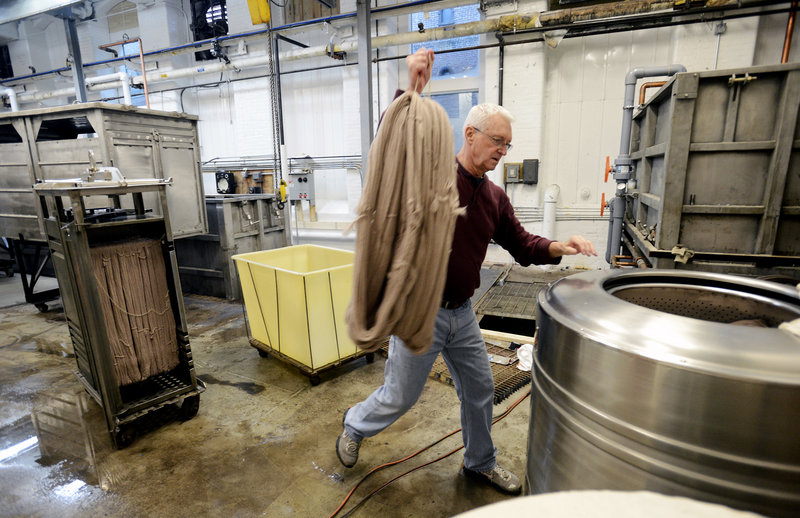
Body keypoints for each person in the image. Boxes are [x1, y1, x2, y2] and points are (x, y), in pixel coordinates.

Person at [336, 48, 597, 494]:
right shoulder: (433, 176)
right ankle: (355, 425)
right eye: (497, 141)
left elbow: (522, 244)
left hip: (462, 314)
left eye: (508, 144)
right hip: (420, 313)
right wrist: (411, 89)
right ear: (470, 134)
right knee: (400, 396)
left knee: (480, 390)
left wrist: (560, 246)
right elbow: (394, 145)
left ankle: (479, 462)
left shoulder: (494, 198)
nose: (503, 150)